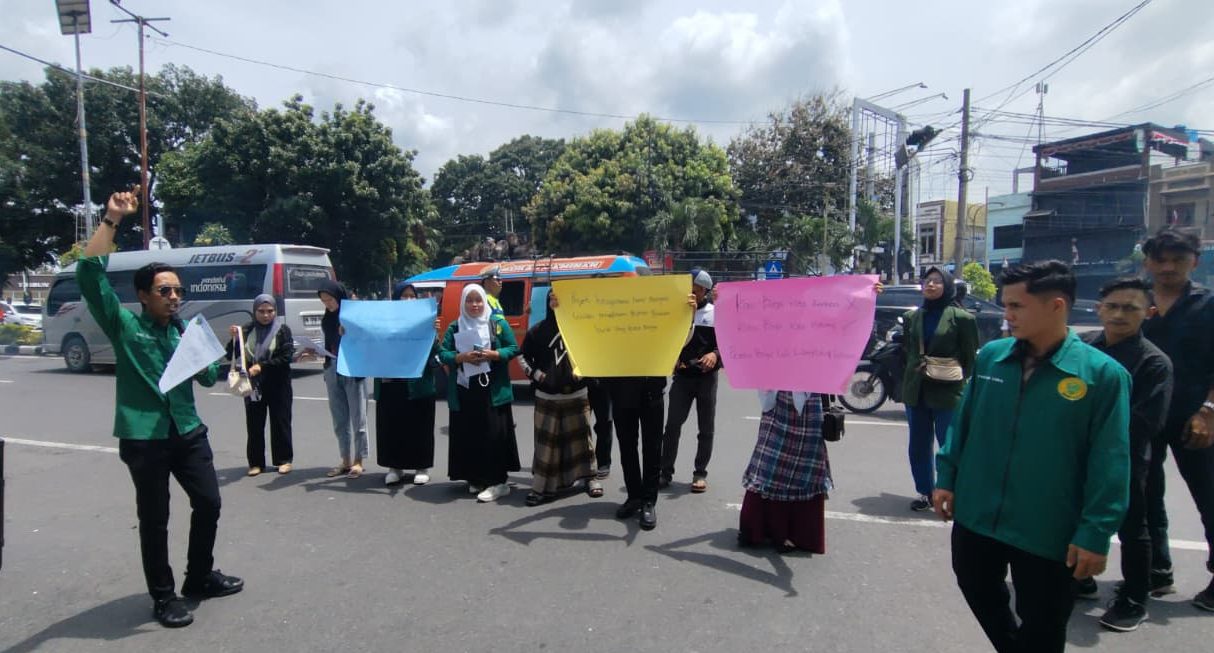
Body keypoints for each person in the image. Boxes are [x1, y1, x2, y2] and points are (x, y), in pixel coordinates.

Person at [934, 260, 1131, 652]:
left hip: (1048, 528)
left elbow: (1111, 461)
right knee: (976, 586)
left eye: (1016, 307)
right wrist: (946, 477)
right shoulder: (992, 357)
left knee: (1044, 620)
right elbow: (964, 422)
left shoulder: (1102, 375)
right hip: (978, 515)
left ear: (1056, 306)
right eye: (1005, 305)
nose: (1006, 316)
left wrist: (1095, 532)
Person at [78, 189, 242, 628]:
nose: (173, 297)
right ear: (143, 295)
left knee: (208, 502)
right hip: (144, 436)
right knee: (155, 519)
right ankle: (164, 596)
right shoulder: (124, 325)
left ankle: (199, 576)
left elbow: (208, 379)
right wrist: (113, 218)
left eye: (177, 290)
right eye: (164, 290)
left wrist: (222, 358)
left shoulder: (185, 330)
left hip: (187, 431)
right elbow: (89, 272)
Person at [1071, 277, 1172, 632]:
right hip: (1076, 457)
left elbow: (1146, 423)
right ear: (1098, 309)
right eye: (1111, 306)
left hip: (1125, 460)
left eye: (1130, 308)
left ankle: (1134, 598)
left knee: (1133, 528)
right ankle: (1080, 579)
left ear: (1150, 313)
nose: (1118, 315)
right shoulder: (1081, 348)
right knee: (1073, 517)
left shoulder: (1154, 364)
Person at [1140, 227, 1214, 612]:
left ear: (1194, 262)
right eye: (1161, 259)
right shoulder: (1134, 300)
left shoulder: (1208, 304)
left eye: (1178, 259)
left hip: (1193, 415)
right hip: (1144, 414)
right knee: (1147, 495)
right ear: (1148, 261)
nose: (1168, 267)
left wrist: (1209, 412)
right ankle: (1157, 570)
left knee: (1209, 495)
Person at [606, 292, 699, 531]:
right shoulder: (612, 325)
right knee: (627, 448)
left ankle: (648, 501)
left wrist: (689, 315)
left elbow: (681, 340)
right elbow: (586, 333)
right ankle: (634, 497)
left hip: (651, 394)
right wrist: (561, 309)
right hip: (621, 393)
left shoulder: (656, 324)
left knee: (651, 448)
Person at [900, 266, 979, 512]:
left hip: (948, 390)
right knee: (918, 445)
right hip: (917, 390)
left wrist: (955, 377)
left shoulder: (963, 318)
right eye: (927, 281)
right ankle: (926, 492)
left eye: (937, 281)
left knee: (949, 445)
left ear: (947, 285)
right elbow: (909, 349)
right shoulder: (913, 317)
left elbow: (969, 358)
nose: (930, 285)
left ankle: (953, 491)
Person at [439, 284, 520, 503]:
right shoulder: (456, 327)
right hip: (466, 389)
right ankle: (475, 477)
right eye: (469, 300)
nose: (474, 305)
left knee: (493, 435)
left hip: (492, 390)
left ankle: (498, 482)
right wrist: (460, 358)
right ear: (463, 302)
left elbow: (513, 348)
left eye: (478, 300)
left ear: (485, 302)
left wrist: (494, 354)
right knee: (470, 434)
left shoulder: (497, 324)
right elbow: (443, 352)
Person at [520, 290, 602, 505]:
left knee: (583, 440)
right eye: (552, 298)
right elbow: (522, 357)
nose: (556, 301)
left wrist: (584, 370)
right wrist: (537, 375)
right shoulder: (537, 331)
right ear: (547, 302)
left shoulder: (580, 329)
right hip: (547, 397)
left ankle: (590, 478)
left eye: (561, 298)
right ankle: (541, 487)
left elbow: (594, 352)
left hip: (577, 393)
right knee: (547, 445)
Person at [737, 391, 832, 553]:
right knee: (769, 465)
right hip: (781, 400)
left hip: (805, 403)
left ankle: (785, 533)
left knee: (799, 466)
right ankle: (769, 531)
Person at [660, 268, 721, 493]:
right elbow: (668, 339)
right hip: (683, 378)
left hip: (706, 379)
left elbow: (727, 343)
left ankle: (700, 473)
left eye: (693, 287)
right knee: (672, 426)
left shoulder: (716, 313)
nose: (689, 291)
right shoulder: (678, 311)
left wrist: (715, 355)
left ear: (703, 288)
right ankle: (665, 472)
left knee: (706, 428)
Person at [375, 282, 440, 486]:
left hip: (418, 383)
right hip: (391, 383)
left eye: (412, 296)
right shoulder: (383, 322)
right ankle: (395, 467)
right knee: (392, 425)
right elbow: (367, 341)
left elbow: (436, 352)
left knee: (419, 425)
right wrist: (347, 332)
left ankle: (422, 466)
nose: (408, 299)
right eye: (404, 296)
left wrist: (433, 333)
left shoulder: (426, 321)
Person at [226, 294, 295, 477]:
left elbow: (286, 356)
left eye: (270, 311)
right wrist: (234, 338)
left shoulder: (282, 330)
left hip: (278, 383)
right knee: (255, 424)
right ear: (254, 311)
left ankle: (284, 460)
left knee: (281, 422)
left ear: (275, 311)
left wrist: (262, 366)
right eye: (261, 311)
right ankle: (256, 463)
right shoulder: (246, 330)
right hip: (253, 384)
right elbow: (230, 354)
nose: (266, 315)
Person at [317, 280, 369, 479]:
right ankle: (345, 459)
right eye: (324, 301)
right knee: (339, 419)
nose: (328, 304)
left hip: (353, 370)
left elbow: (366, 337)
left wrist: (350, 332)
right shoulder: (327, 318)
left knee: (359, 418)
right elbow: (329, 342)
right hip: (332, 367)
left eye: (330, 299)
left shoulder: (353, 315)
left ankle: (358, 460)